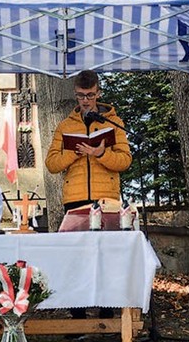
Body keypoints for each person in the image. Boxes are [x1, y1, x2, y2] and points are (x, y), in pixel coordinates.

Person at [45, 70, 132, 322]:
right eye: (81, 95)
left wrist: (100, 154)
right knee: (75, 257)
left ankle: (107, 310)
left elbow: (125, 161)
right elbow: (52, 164)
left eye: (91, 95)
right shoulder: (65, 126)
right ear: (76, 94)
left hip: (107, 199)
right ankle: (78, 314)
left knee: (106, 257)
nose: (86, 100)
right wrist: (76, 152)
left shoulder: (114, 123)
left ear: (99, 93)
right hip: (75, 198)